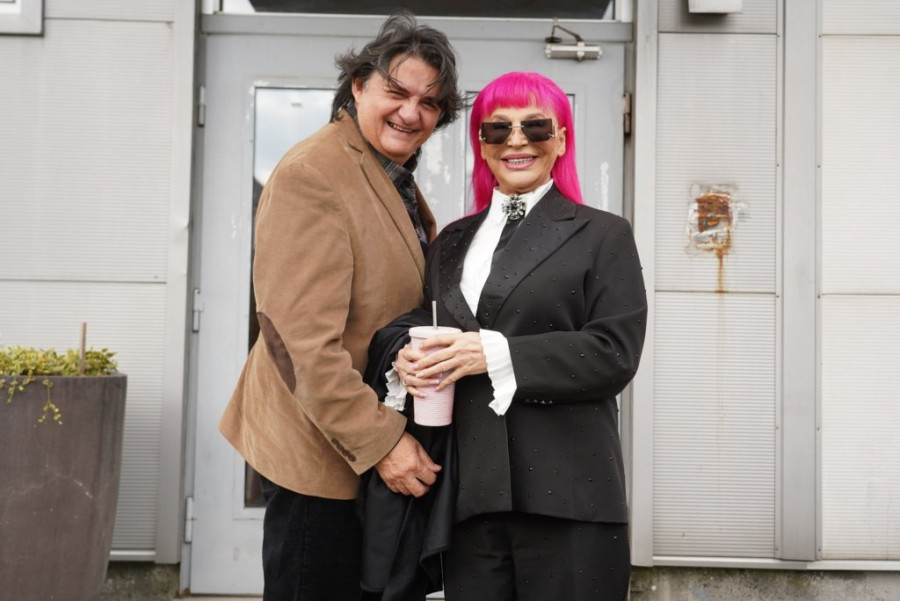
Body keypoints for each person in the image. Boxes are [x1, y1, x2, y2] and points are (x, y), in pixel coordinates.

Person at [217, 11, 463, 601]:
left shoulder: (388, 171)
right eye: (396, 92)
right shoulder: (314, 174)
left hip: (354, 446)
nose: (411, 113)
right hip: (318, 457)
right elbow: (299, 343)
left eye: (429, 103)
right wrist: (384, 443)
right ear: (358, 85)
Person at [392, 71, 648, 601]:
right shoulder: (450, 241)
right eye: (497, 128)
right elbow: (428, 324)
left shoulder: (604, 234)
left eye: (535, 126)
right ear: (481, 144)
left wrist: (491, 353)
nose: (516, 141)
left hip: (570, 496)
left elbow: (614, 353)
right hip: (470, 497)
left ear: (561, 140)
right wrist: (404, 360)